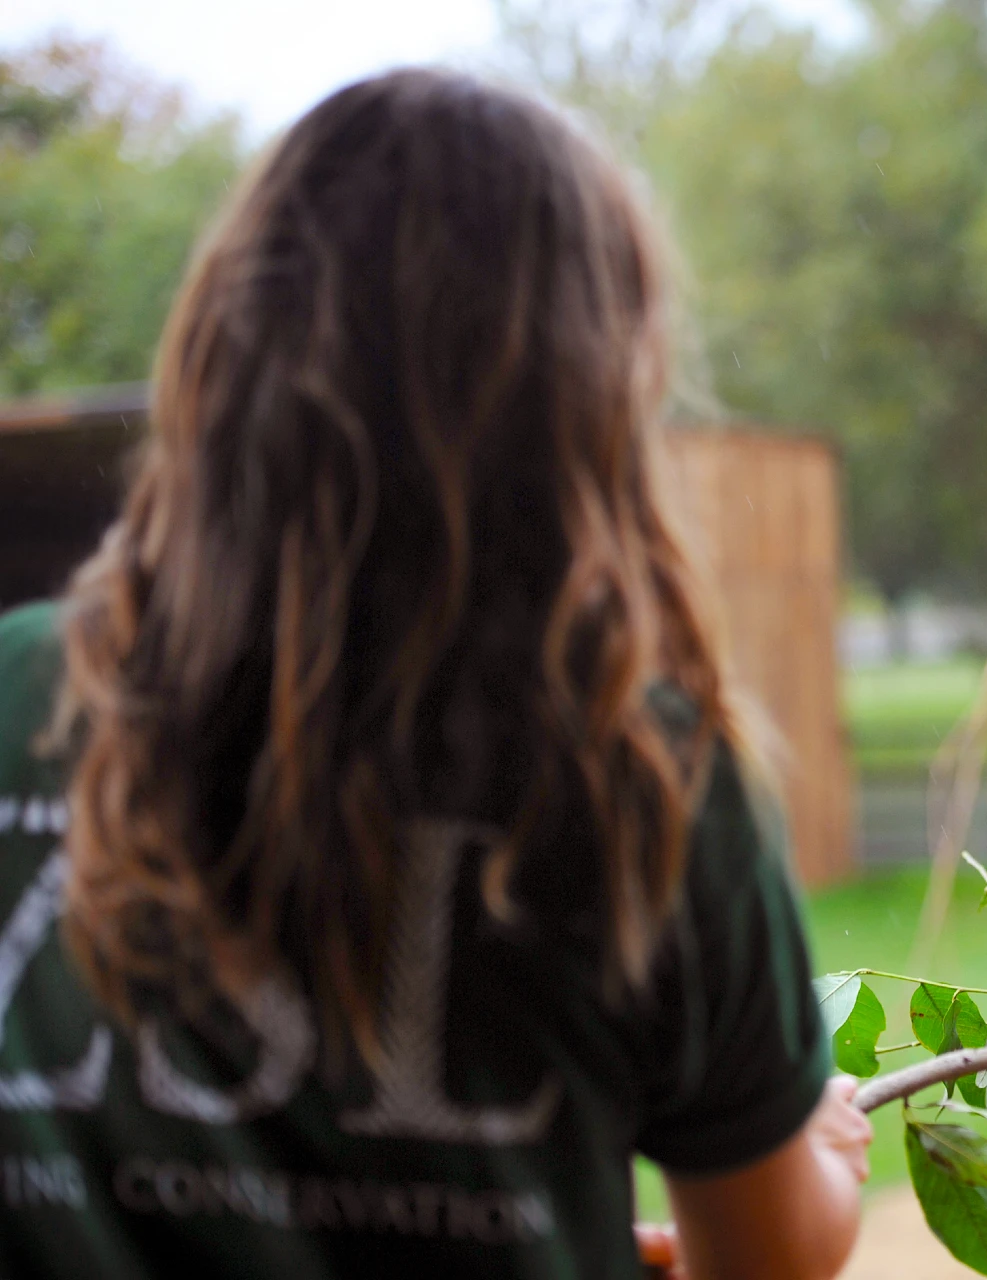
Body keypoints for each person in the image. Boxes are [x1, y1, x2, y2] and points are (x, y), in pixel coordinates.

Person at [0, 69, 870, 1279]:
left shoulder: (14, 692)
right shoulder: (644, 785)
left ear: (222, 348)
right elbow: (765, 1255)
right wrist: (818, 1140)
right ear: (589, 399)